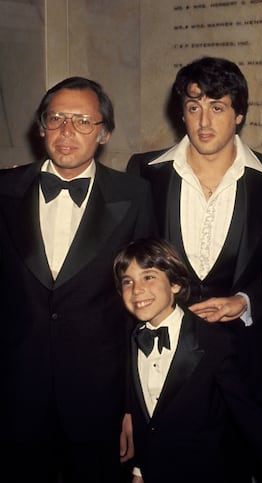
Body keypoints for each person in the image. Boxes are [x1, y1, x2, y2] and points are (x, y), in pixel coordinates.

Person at [0, 77, 155, 483]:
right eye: (57, 119)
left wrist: (130, 405)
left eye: (83, 121)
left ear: (104, 132)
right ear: (40, 127)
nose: (68, 132)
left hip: (98, 399)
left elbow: (143, 310)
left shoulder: (134, 196)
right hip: (15, 397)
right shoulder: (3, 189)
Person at [127, 56, 262, 407]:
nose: (204, 121)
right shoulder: (145, 172)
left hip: (240, 358)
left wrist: (244, 303)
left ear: (239, 114)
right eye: (194, 107)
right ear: (181, 112)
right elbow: (129, 264)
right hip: (161, 357)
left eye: (217, 107)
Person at [113, 238, 262, 483]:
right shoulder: (135, 338)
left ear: (175, 284)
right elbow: (146, 414)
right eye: (128, 281)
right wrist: (139, 470)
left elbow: (247, 412)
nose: (136, 289)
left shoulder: (211, 339)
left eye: (149, 277)